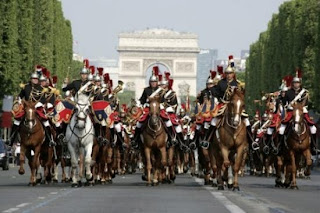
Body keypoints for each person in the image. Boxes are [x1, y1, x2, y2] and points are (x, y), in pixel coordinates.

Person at [279, 70, 317, 154]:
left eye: (298, 83)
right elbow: (284, 103)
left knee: (313, 128)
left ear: (300, 83)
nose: (296, 84)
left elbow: (307, 103)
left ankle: (313, 147)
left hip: (302, 111)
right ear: (293, 84)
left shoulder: (304, 93)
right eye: (295, 83)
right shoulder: (288, 92)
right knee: (281, 129)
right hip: (291, 111)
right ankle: (280, 147)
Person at [131, 67, 161, 148]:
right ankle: (135, 139)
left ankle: (173, 139)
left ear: (157, 82)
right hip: (148, 109)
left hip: (158, 110)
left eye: (155, 82)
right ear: (150, 82)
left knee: (169, 123)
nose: (153, 83)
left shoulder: (160, 90)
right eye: (152, 82)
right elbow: (142, 100)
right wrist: (139, 104)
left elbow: (164, 101)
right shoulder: (146, 90)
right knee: (139, 124)